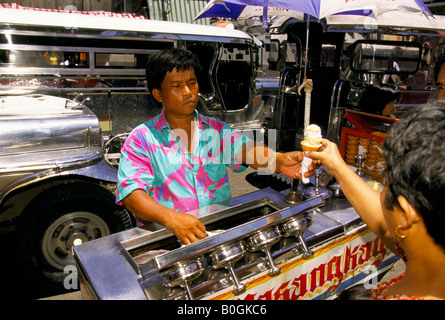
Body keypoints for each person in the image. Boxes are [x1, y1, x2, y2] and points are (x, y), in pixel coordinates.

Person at [116, 48, 315, 245]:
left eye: (192, 83)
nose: (188, 92)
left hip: (217, 232)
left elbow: (244, 150)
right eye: (177, 86)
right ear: (158, 94)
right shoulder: (142, 138)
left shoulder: (215, 129)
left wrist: (278, 161)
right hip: (166, 238)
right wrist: (171, 218)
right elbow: (131, 194)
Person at [309, 100, 445, 300]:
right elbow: (384, 221)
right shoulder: (429, 258)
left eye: (387, 185)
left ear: (405, 215)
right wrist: (337, 165)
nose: (382, 194)